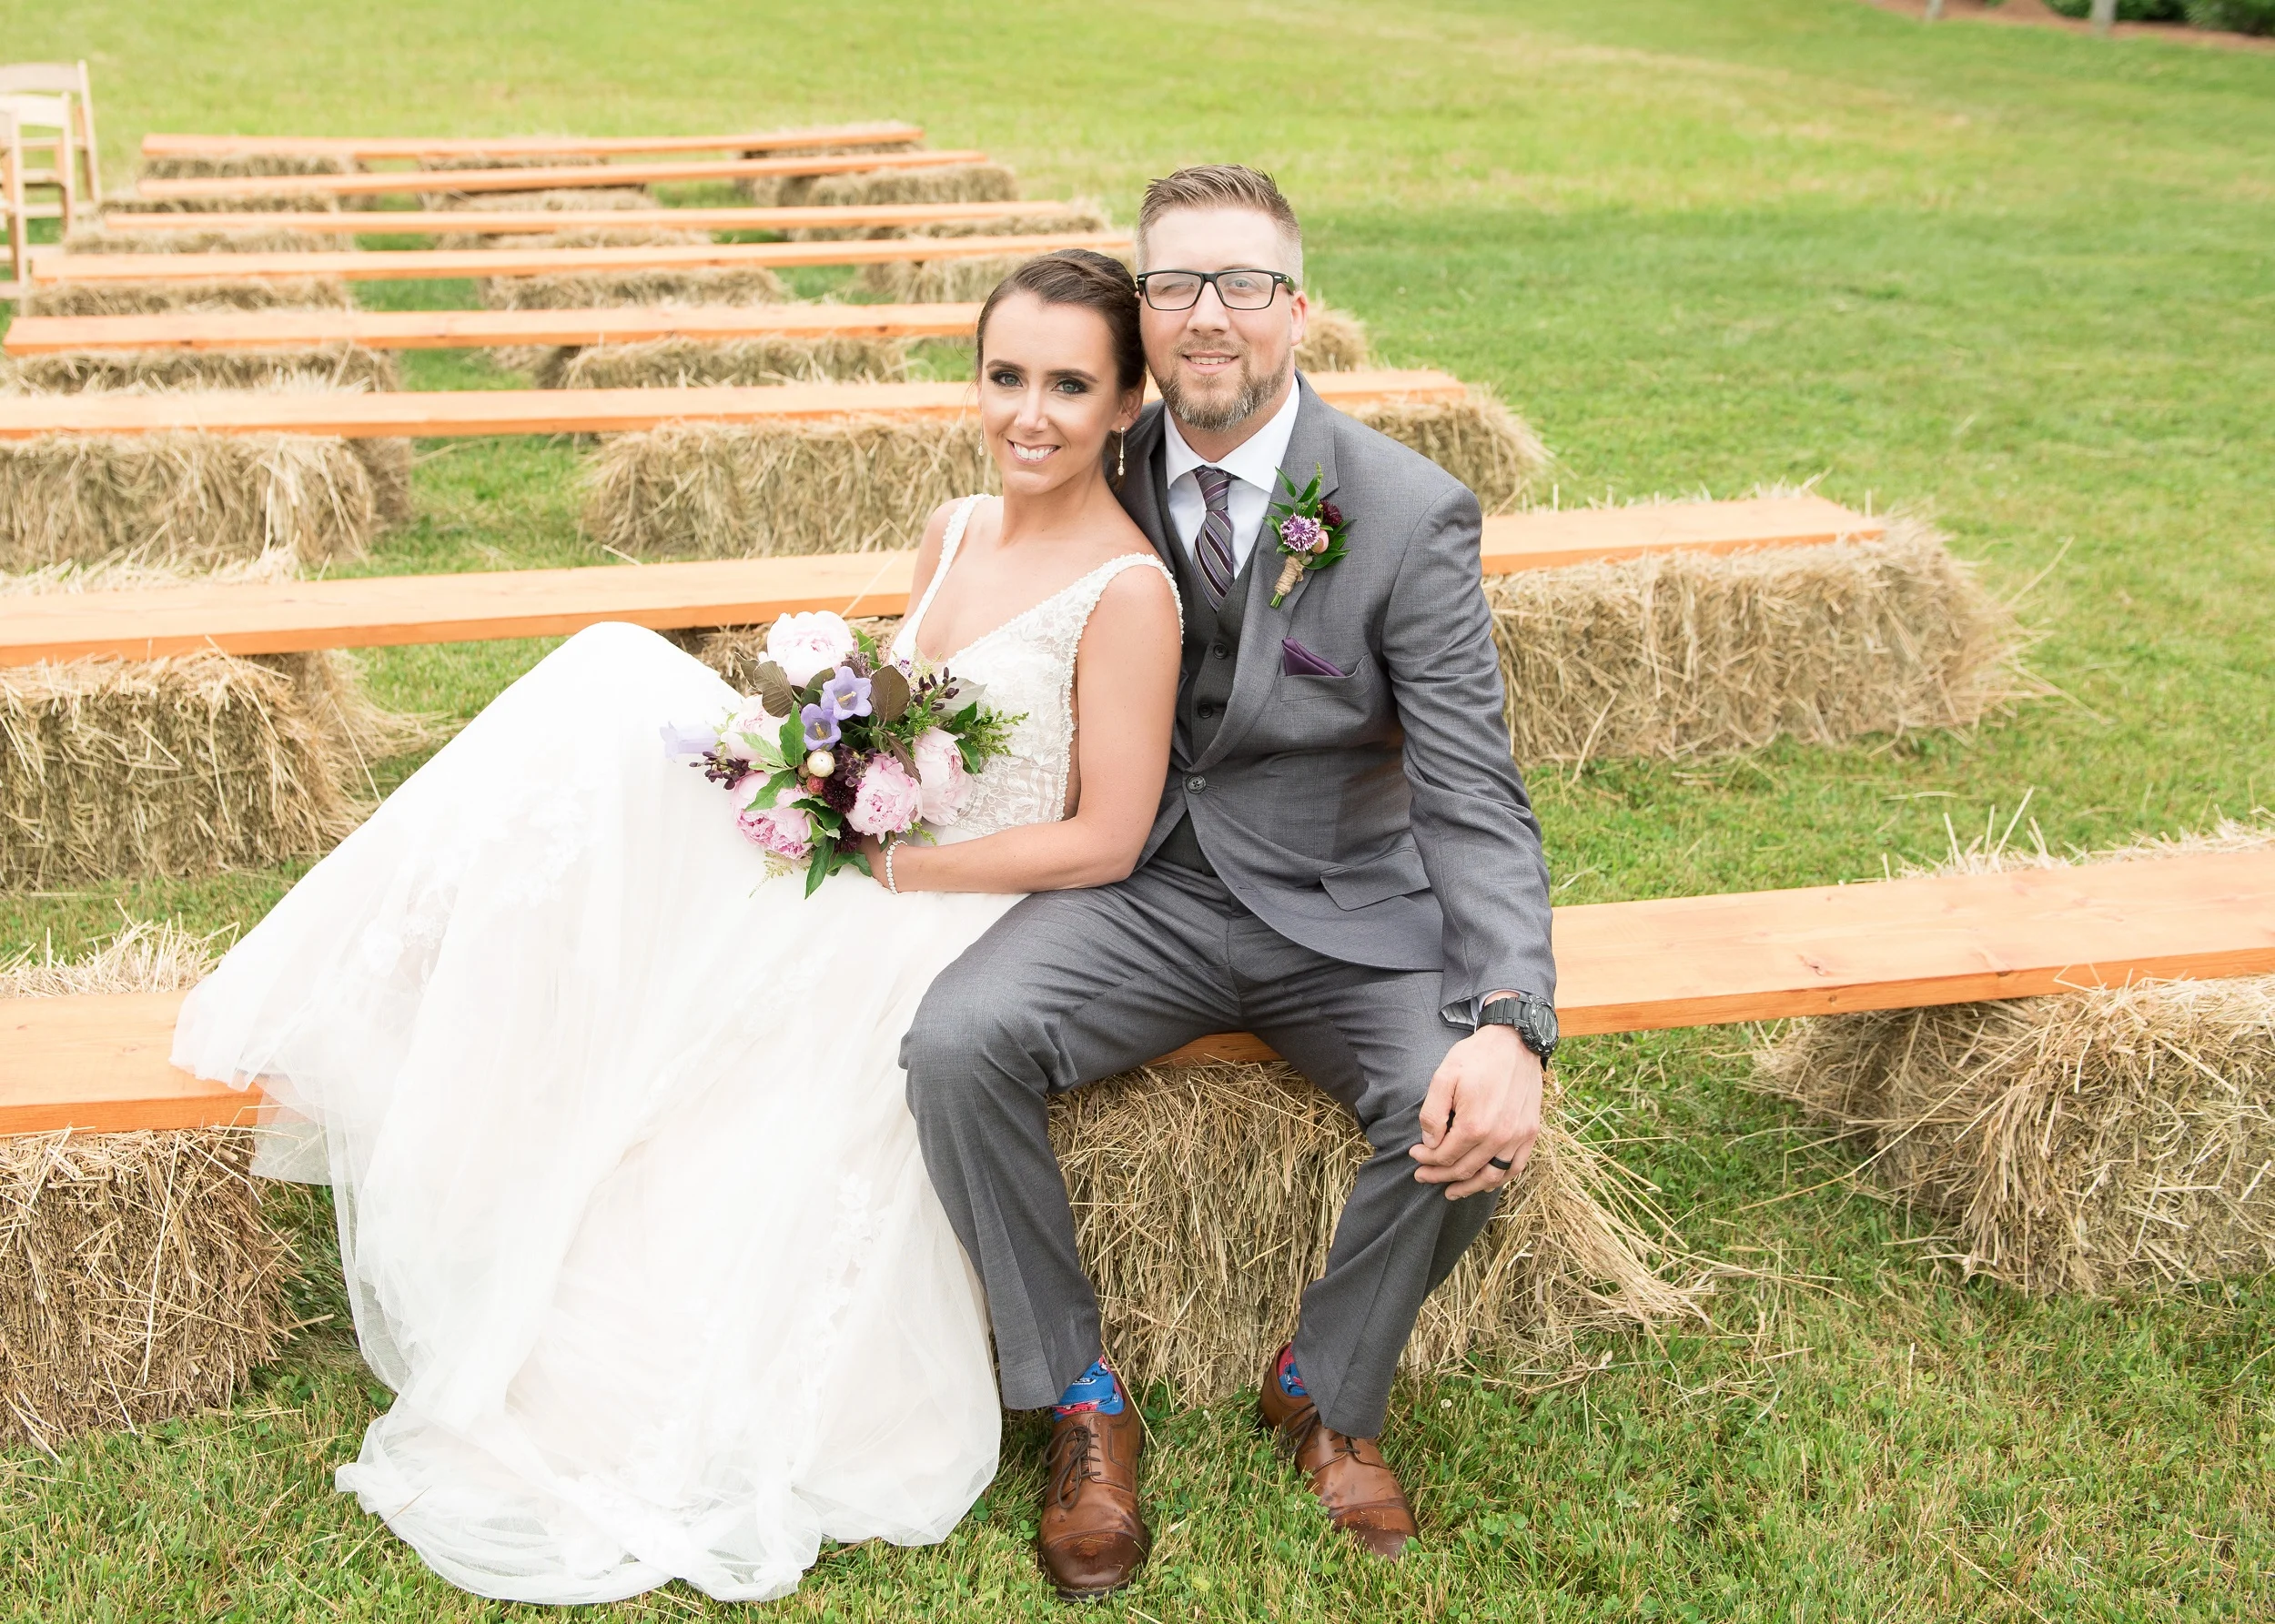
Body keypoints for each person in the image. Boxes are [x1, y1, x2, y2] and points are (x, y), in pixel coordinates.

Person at [170, 249, 1182, 1607]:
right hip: (875, 853)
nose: (1031, 415)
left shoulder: (1129, 590)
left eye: (1071, 385)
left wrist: (894, 868)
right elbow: (908, 717)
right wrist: (830, 770)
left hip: (963, 906)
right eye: (1007, 377)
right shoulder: (954, 528)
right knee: (609, 692)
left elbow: (1105, 835)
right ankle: (406, 1012)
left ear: (1127, 403)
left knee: (736, 1050)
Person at [904, 166, 1558, 1599]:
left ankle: (1325, 1385)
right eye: (1175, 286)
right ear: (1141, 320)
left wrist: (1509, 1015)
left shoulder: (1405, 513)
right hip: (1131, 892)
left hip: (1346, 912)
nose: (1209, 317)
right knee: (956, 1044)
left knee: (1466, 1120)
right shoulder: (1095, 444)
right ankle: (1079, 1395)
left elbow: (1472, 790)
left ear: (1298, 308)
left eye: (1243, 285)